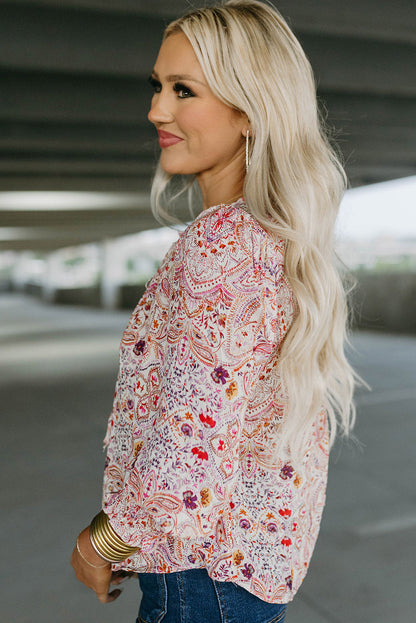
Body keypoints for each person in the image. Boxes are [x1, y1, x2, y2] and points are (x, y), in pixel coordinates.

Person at [71, 2, 357, 621]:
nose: (156, 110)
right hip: (245, 580)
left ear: (250, 111)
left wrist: (103, 541)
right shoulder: (271, 240)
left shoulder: (221, 243)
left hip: (201, 581)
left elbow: (186, 443)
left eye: (183, 90)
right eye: (158, 86)